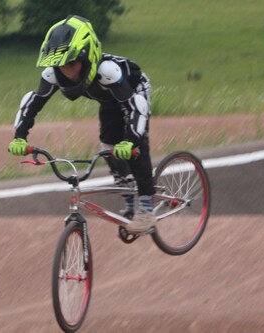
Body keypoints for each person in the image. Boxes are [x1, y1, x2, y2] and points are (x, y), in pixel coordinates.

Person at [8, 15, 156, 233]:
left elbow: (136, 107)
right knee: (108, 148)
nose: (67, 71)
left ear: (88, 57)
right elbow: (33, 104)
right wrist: (19, 136)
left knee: (134, 148)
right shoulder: (54, 75)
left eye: (72, 64)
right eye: (61, 65)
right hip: (108, 99)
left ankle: (146, 208)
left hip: (133, 93)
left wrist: (131, 141)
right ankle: (128, 197)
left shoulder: (107, 71)